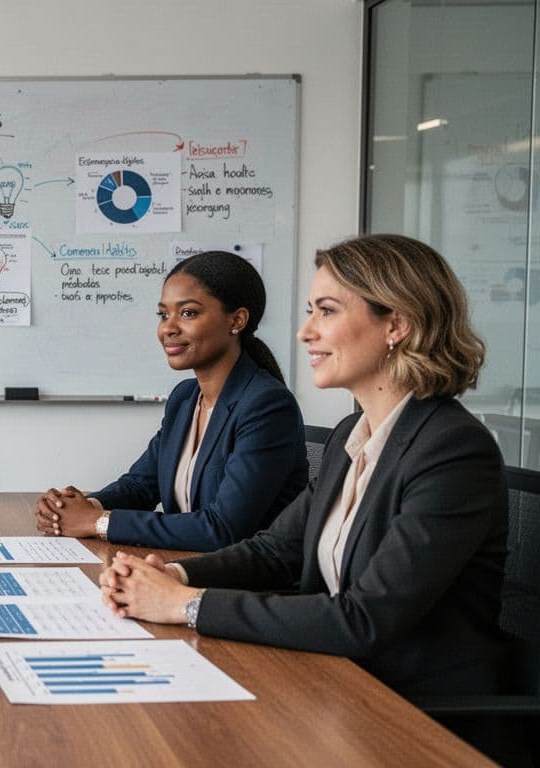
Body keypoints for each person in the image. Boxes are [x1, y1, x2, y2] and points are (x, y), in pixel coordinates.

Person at [101, 234, 514, 762]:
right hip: (330, 686)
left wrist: (185, 606)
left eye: (327, 311)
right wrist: (172, 576)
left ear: (397, 324)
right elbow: (274, 551)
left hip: (411, 719)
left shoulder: (453, 450)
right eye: (309, 311)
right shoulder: (351, 435)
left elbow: (364, 619)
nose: (305, 331)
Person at [36, 251, 307, 551]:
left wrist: (97, 522)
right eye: (164, 314)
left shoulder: (266, 405)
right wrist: (80, 506)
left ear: (237, 320)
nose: (168, 328)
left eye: (188, 313)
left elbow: (223, 529)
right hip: (182, 566)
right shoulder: (185, 399)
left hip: (243, 587)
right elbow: (142, 485)